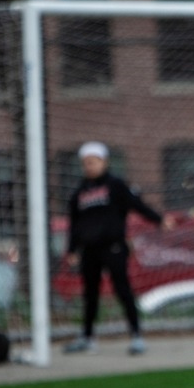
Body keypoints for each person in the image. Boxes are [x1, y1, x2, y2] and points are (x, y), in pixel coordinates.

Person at [64, 141, 168, 355]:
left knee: (123, 291)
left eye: (93, 161)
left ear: (104, 162)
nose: (89, 166)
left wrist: (159, 220)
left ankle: (136, 336)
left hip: (114, 247)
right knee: (90, 294)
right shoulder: (79, 193)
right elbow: (74, 224)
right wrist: (72, 249)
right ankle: (87, 337)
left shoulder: (116, 185)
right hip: (90, 251)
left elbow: (137, 206)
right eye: (86, 162)